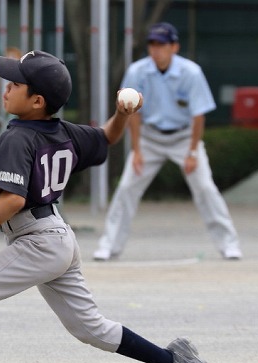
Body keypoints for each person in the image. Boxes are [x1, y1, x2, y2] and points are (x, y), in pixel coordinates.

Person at [0, 50, 221, 363]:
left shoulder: (16, 138)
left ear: (36, 100)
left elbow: (13, 201)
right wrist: (122, 116)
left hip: (38, 241)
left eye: (15, 83)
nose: (6, 87)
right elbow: (107, 137)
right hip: (55, 236)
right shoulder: (62, 132)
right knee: (91, 328)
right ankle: (177, 360)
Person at [93, 22, 242, 262]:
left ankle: (229, 244)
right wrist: (137, 151)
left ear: (174, 47)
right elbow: (133, 114)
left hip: (184, 138)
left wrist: (192, 152)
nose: (156, 50)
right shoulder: (137, 71)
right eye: (152, 44)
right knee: (127, 188)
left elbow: (198, 116)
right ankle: (109, 245)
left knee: (205, 187)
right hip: (149, 138)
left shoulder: (191, 73)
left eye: (161, 44)